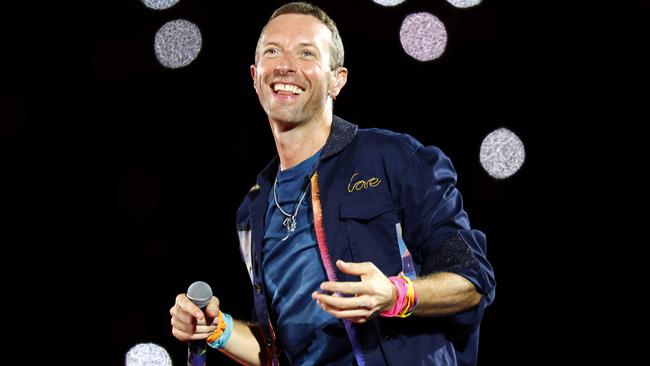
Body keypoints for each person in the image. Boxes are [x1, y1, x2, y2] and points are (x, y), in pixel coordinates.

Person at [170, 2, 495, 365]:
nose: (285, 65)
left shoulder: (394, 158)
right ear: (255, 75)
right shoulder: (253, 208)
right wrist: (217, 329)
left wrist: (395, 295)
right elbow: (281, 350)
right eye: (272, 51)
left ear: (336, 80)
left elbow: (472, 281)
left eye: (306, 53)